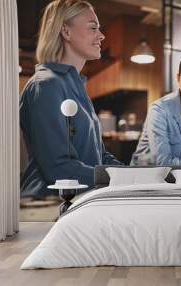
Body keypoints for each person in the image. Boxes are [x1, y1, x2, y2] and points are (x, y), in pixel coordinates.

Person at [20, 0, 122, 198]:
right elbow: (59, 168)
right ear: (66, 32)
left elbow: (100, 157)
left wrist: (133, 174)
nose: (101, 36)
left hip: (81, 200)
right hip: (47, 208)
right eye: (93, 27)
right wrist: (120, 179)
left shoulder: (75, 86)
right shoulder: (46, 86)